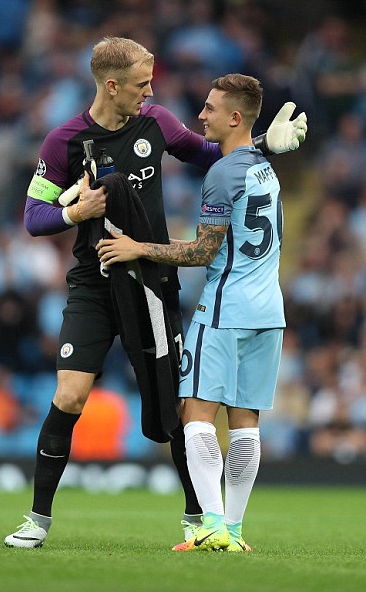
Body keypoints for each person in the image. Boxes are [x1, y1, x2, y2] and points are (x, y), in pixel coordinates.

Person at [4, 37, 306, 549]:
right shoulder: (64, 141)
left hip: (151, 285)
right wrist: (77, 213)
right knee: (70, 395)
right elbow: (34, 218)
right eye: (143, 83)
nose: (151, 90)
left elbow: (215, 153)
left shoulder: (158, 123)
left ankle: (198, 518)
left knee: (174, 408)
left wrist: (263, 146)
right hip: (94, 284)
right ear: (112, 85)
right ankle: (38, 520)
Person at [97, 73, 289, 552]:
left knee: (195, 414)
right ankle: (238, 531)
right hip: (269, 311)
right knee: (245, 421)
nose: (200, 115)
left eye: (208, 108)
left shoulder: (221, 174)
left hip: (226, 308)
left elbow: (203, 252)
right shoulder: (264, 167)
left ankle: (212, 524)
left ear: (235, 117)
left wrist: (137, 246)